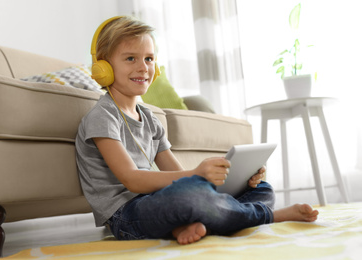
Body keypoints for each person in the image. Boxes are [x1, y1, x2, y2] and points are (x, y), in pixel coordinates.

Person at [75, 15, 319, 245]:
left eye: (149, 59)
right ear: (103, 68)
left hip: (160, 202)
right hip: (127, 215)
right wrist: (197, 176)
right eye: (131, 59)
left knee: (261, 189)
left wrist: (235, 178)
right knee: (190, 196)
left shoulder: (149, 118)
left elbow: (177, 175)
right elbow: (133, 180)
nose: (143, 67)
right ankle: (268, 216)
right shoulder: (102, 116)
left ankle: (195, 224)